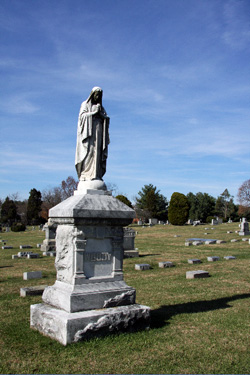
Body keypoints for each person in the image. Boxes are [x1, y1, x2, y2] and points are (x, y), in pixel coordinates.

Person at [75, 87, 110, 182]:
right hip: (88, 133)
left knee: (97, 152)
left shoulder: (101, 107)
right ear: (92, 94)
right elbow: (82, 117)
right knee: (89, 151)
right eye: (96, 94)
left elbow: (106, 118)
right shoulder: (85, 105)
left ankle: (97, 174)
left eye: (99, 95)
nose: (98, 97)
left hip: (99, 131)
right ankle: (86, 174)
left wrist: (103, 116)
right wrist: (94, 113)